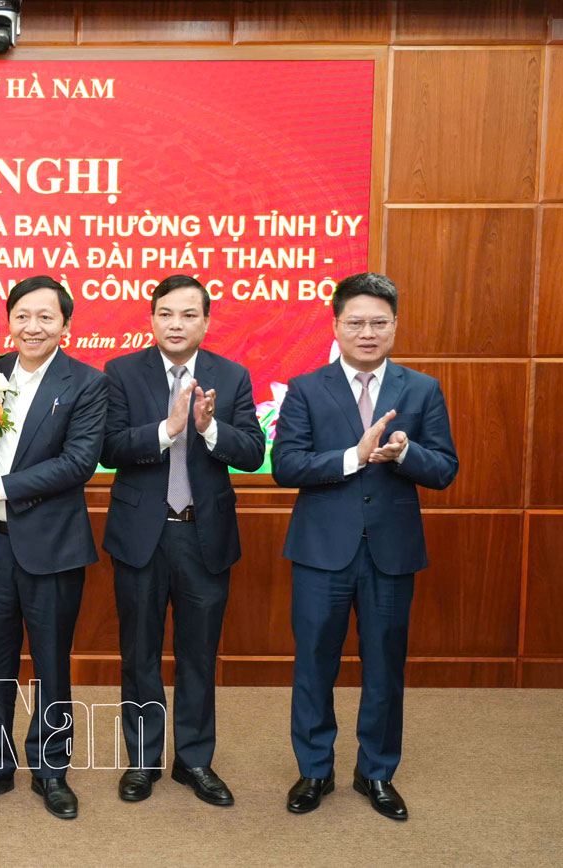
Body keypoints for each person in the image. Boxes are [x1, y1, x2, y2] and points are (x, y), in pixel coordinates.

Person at [272, 272, 458, 821]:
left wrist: (405, 454)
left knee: (384, 666)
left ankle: (376, 772)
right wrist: (353, 457)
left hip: (391, 553)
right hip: (320, 552)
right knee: (314, 664)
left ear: (395, 326)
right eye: (356, 323)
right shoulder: (307, 388)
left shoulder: (421, 389)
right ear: (336, 326)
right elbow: (286, 466)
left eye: (379, 322)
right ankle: (314, 770)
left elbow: (444, 469)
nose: (368, 333)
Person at [100, 275, 266, 807]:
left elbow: (252, 452)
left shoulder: (231, 376)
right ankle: (142, 760)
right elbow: (108, 447)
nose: (176, 324)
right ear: (152, 319)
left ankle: (194, 760)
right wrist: (168, 429)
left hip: (203, 535)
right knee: (140, 655)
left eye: (189, 314)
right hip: (142, 537)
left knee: (199, 655)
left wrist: (209, 428)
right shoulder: (122, 372)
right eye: (166, 313)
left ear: (206, 322)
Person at [0, 275, 107, 820]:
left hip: (53, 547)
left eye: (45, 317)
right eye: (22, 316)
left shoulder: (86, 383)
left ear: (65, 325)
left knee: (51, 662)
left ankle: (51, 769)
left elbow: (78, 463)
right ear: (9, 320)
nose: (32, 327)